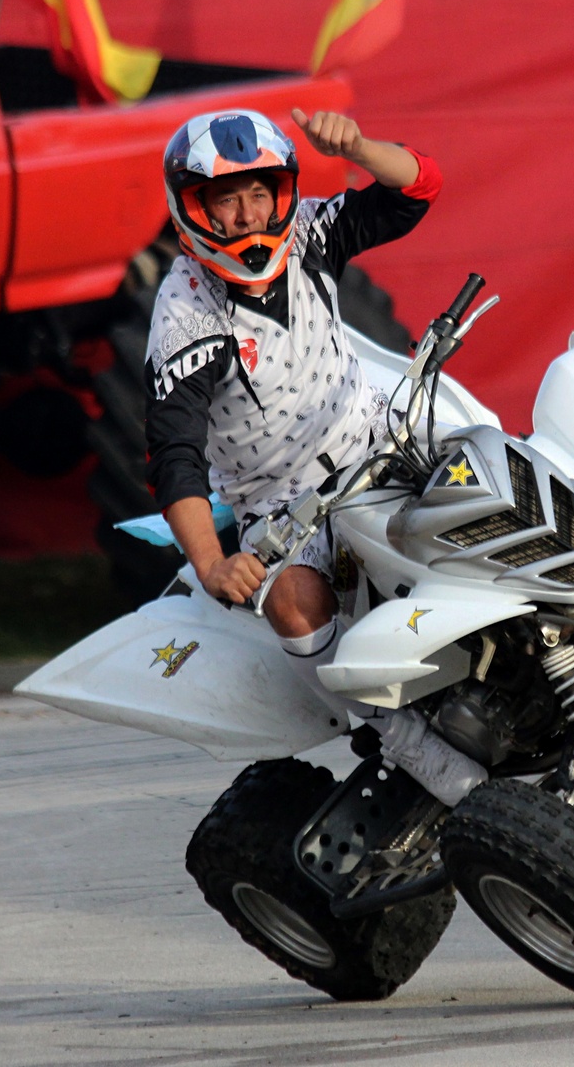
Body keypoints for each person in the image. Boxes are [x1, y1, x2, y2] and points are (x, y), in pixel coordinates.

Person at [143, 107, 486, 806]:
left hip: (377, 437)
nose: (246, 215)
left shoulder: (308, 233)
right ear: (192, 207)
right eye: (226, 198)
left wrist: (359, 145)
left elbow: (418, 190)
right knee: (295, 605)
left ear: (282, 192)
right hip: (279, 501)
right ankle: (393, 732)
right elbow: (173, 451)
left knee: (489, 470)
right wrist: (213, 563)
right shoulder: (184, 312)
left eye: (258, 192)